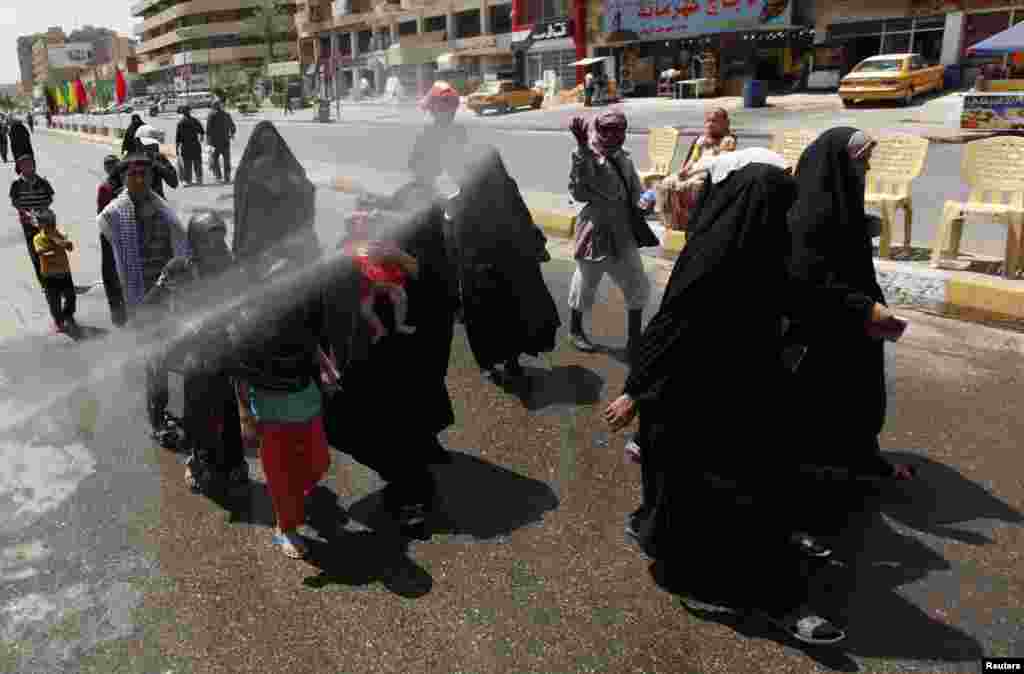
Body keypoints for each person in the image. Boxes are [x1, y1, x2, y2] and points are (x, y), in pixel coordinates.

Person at [604, 150, 848, 646]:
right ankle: (721, 586)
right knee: (708, 499)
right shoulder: (714, 255)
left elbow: (801, 300)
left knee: (752, 495)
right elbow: (671, 325)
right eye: (779, 208)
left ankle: (770, 587)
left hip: (749, 396)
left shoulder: (768, 251)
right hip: (694, 401)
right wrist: (635, 391)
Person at [324, 183, 459, 528]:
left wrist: (402, 260)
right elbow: (331, 299)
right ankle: (408, 476)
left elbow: (434, 294)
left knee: (401, 429)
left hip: (404, 360)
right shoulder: (354, 247)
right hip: (364, 359)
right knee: (350, 422)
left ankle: (412, 494)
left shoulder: (418, 250)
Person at [785, 127, 915, 483]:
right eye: (864, 161)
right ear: (838, 163)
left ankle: (860, 459)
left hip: (853, 322)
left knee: (857, 393)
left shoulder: (839, 197)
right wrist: (862, 307)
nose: (868, 169)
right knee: (824, 396)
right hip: (824, 325)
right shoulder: (809, 215)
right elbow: (807, 277)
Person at [140, 211, 248, 493]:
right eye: (207, 240)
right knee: (197, 412)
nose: (215, 246)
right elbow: (152, 301)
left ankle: (234, 464)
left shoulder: (231, 267)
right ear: (195, 242)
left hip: (222, 348)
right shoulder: (179, 269)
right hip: (193, 352)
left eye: (219, 239)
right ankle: (200, 464)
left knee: (226, 409)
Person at [443, 143, 561, 379]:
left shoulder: (465, 198)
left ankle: (495, 363)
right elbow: (523, 219)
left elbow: (453, 241)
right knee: (505, 316)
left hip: (485, 272)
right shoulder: (499, 188)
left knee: (489, 320)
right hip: (499, 268)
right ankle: (505, 361)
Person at [98, 152, 190, 444]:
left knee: (170, 356)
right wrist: (118, 308)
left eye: (144, 174)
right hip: (140, 303)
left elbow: (181, 250)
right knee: (156, 363)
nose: (139, 179)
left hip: (169, 299)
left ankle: (167, 411)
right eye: (133, 174)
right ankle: (157, 419)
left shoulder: (162, 209)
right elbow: (109, 267)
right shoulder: (112, 216)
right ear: (124, 178)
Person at [566, 110, 656, 362]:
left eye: (618, 130)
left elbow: (636, 190)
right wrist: (582, 147)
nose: (613, 135)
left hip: (623, 232)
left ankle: (634, 339)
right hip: (594, 232)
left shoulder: (623, 158)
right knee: (584, 285)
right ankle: (575, 330)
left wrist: (646, 202)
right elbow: (579, 191)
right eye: (606, 129)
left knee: (636, 283)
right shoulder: (586, 155)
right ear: (598, 130)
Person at [340, 209, 419, 343]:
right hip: (366, 288)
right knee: (366, 310)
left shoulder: (388, 242)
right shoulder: (349, 244)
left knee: (399, 295)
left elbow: (411, 268)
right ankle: (380, 329)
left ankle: (398, 325)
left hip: (381, 283)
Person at [655, 108, 737, 231]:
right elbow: (693, 160)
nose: (710, 124)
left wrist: (694, 173)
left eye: (714, 121)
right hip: (693, 173)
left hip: (711, 177)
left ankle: (694, 224)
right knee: (667, 183)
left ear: (726, 123)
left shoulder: (727, 141)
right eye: (708, 121)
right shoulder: (701, 140)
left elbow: (720, 164)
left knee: (693, 186)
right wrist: (683, 171)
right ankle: (673, 223)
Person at [408, 81, 468, 187]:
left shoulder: (426, 136)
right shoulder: (460, 131)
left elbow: (415, 166)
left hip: (437, 191)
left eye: (431, 109)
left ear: (434, 110)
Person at [9, 155, 55, 291]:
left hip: (46, 221)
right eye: (24, 165)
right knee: (35, 253)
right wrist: (26, 212)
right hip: (28, 224)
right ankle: (44, 283)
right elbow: (15, 202)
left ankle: (55, 279)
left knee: (50, 251)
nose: (28, 167)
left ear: (34, 165)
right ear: (20, 168)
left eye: (30, 164)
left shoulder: (42, 182)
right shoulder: (16, 184)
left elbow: (50, 198)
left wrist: (42, 210)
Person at [32, 208, 79, 337]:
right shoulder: (38, 238)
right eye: (48, 224)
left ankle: (68, 315)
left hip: (64, 273)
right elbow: (41, 252)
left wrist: (65, 242)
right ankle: (58, 321)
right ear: (42, 225)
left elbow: (70, 246)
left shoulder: (59, 234)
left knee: (71, 297)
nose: (52, 227)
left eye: (53, 224)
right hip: (49, 276)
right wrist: (55, 244)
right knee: (54, 301)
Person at [98, 154, 127, 326]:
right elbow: (103, 214)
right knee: (110, 274)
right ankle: (117, 314)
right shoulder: (105, 188)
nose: (112, 168)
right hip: (109, 233)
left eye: (115, 165)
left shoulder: (127, 183)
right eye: (109, 166)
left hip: (127, 231)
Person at [134, 126, 179, 199]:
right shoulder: (130, 161)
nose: (154, 147)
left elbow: (174, 183)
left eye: (155, 144)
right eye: (149, 145)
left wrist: (159, 166)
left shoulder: (159, 158)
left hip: (157, 202)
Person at [205, 100, 236, 183]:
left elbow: (208, 130)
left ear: (214, 107)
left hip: (214, 142)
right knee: (226, 160)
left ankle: (218, 176)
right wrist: (232, 134)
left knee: (215, 159)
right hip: (225, 141)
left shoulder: (211, 115)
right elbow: (232, 127)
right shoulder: (227, 115)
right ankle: (227, 177)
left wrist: (208, 142)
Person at [176, 106, 205, 186]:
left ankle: (188, 181)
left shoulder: (180, 122)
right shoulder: (194, 120)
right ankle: (199, 180)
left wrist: (177, 148)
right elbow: (202, 131)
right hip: (195, 145)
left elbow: (178, 137)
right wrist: (201, 138)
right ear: (189, 111)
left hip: (186, 146)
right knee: (197, 163)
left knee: (187, 164)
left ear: (183, 112)